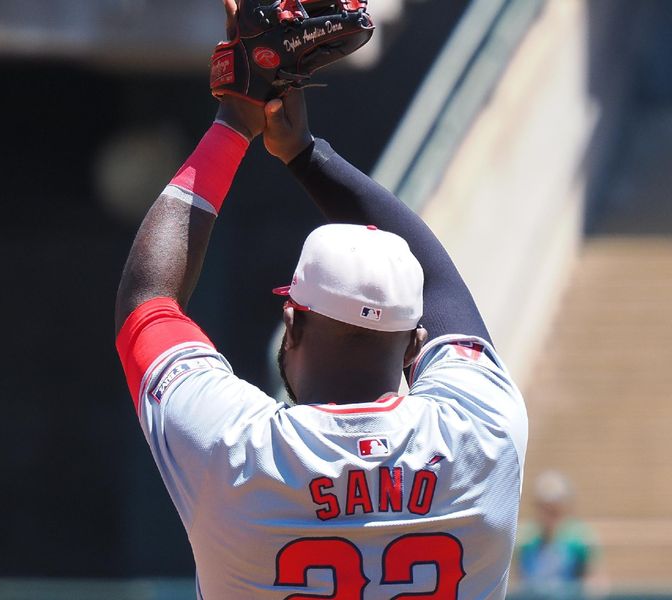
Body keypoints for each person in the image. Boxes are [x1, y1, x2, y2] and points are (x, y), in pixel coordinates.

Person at [115, 4, 528, 597]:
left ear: (293, 323)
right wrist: (307, 154)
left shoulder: (238, 452)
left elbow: (147, 302)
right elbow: (442, 286)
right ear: (417, 343)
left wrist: (237, 121)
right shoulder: (482, 435)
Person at [515, 470, 604, 598]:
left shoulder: (580, 540)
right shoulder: (526, 541)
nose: (548, 513)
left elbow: (594, 583)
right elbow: (519, 583)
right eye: (544, 507)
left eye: (554, 508)